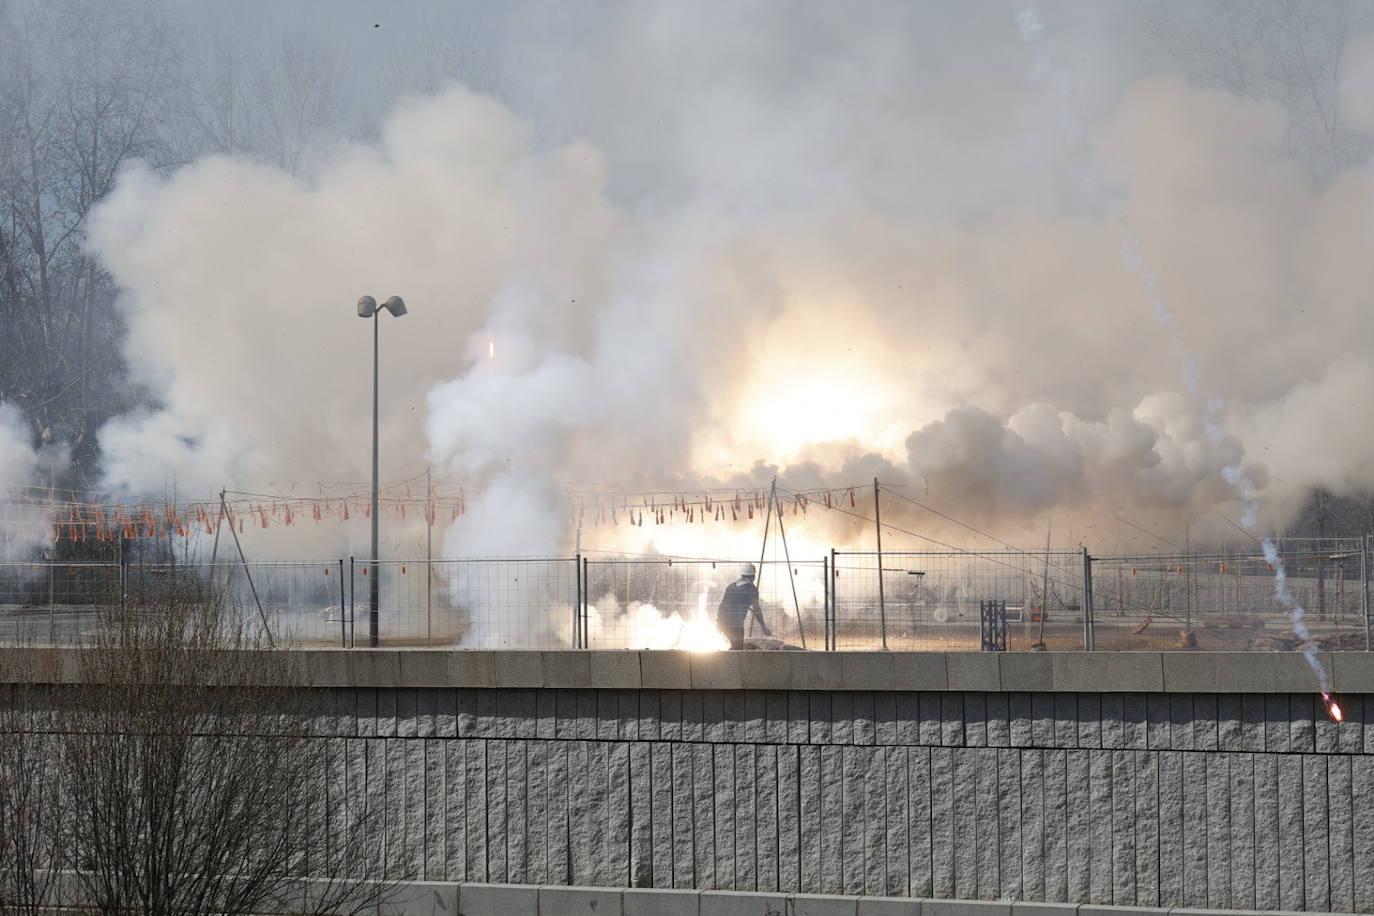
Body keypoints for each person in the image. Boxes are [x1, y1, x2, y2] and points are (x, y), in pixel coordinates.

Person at [717, 563, 771, 649]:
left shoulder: (731, 586)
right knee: (737, 649)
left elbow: (722, 606)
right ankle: (723, 660)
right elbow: (756, 609)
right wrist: (763, 627)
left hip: (723, 622)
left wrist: (719, 623)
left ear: (742, 575)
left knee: (735, 647)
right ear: (753, 577)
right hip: (735, 625)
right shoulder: (751, 589)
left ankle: (723, 658)